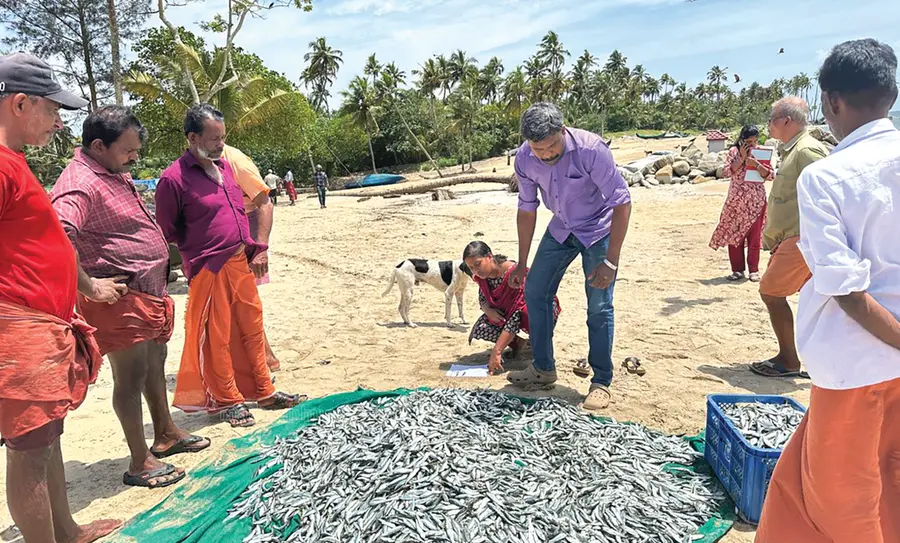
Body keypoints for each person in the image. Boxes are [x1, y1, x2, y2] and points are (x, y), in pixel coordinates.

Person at [756, 38, 900, 542]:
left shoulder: (826, 175)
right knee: (888, 480)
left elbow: (846, 291)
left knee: (843, 502)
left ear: (832, 102)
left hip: (857, 364)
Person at [51, 106, 210, 489]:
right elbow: (57, 233)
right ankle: (139, 461)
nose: (135, 158)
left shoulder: (109, 171)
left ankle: (166, 433)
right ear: (98, 145)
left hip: (147, 293)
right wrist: (89, 287)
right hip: (119, 298)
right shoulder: (80, 181)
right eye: (128, 151)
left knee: (155, 362)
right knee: (131, 377)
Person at [0, 52, 121, 543]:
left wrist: (86, 287)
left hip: (41, 324)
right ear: (21, 103)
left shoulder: (15, 163)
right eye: (53, 109)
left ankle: (65, 530)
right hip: (17, 327)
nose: (58, 121)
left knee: (46, 439)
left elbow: (44, 240)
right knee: (29, 450)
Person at [155, 104, 305, 428]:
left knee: (252, 327)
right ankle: (227, 400)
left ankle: (264, 390)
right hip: (208, 266)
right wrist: (197, 251)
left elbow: (241, 208)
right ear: (192, 137)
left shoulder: (223, 167)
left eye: (222, 138)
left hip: (239, 259)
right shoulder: (173, 179)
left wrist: (256, 247)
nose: (220, 145)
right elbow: (167, 230)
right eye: (213, 139)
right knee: (216, 337)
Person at [507, 102, 632, 411]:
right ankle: (543, 367)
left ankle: (601, 380)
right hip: (561, 226)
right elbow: (526, 207)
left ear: (562, 131)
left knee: (599, 305)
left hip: (598, 229)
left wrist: (611, 261)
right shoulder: (524, 158)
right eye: (538, 150)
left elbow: (622, 201)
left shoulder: (591, 149)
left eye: (551, 147)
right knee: (535, 290)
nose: (546, 155)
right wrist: (523, 263)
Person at [749, 96, 830, 378]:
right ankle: (812, 359)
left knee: (771, 292)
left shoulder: (807, 151)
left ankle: (788, 359)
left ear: (786, 121)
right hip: (794, 237)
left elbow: (826, 196)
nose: (768, 124)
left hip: (800, 238)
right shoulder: (793, 150)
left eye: (772, 119)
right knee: (812, 299)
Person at [221, 145, 281, 371]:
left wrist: (260, 248)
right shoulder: (201, 161)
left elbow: (265, 203)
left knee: (242, 301)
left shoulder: (235, 160)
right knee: (236, 301)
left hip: (245, 234)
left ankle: (264, 359)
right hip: (226, 235)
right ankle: (265, 357)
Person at [463, 241, 561, 375]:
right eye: (471, 268)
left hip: (540, 309)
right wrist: (488, 310)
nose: (475, 270)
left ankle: (538, 346)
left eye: (477, 264)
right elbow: (483, 297)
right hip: (508, 312)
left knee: (528, 314)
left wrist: (497, 350)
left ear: (490, 257)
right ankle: (520, 344)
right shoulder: (483, 277)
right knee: (483, 327)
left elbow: (518, 313)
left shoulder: (514, 274)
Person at [709, 125, 773, 282]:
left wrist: (756, 164)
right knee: (734, 236)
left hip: (756, 201)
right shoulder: (733, 152)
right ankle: (737, 270)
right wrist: (742, 159)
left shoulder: (760, 153)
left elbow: (770, 175)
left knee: (754, 237)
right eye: (748, 141)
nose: (752, 144)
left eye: (754, 141)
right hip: (736, 202)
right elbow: (725, 172)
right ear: (742, 140)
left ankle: (754, 270)